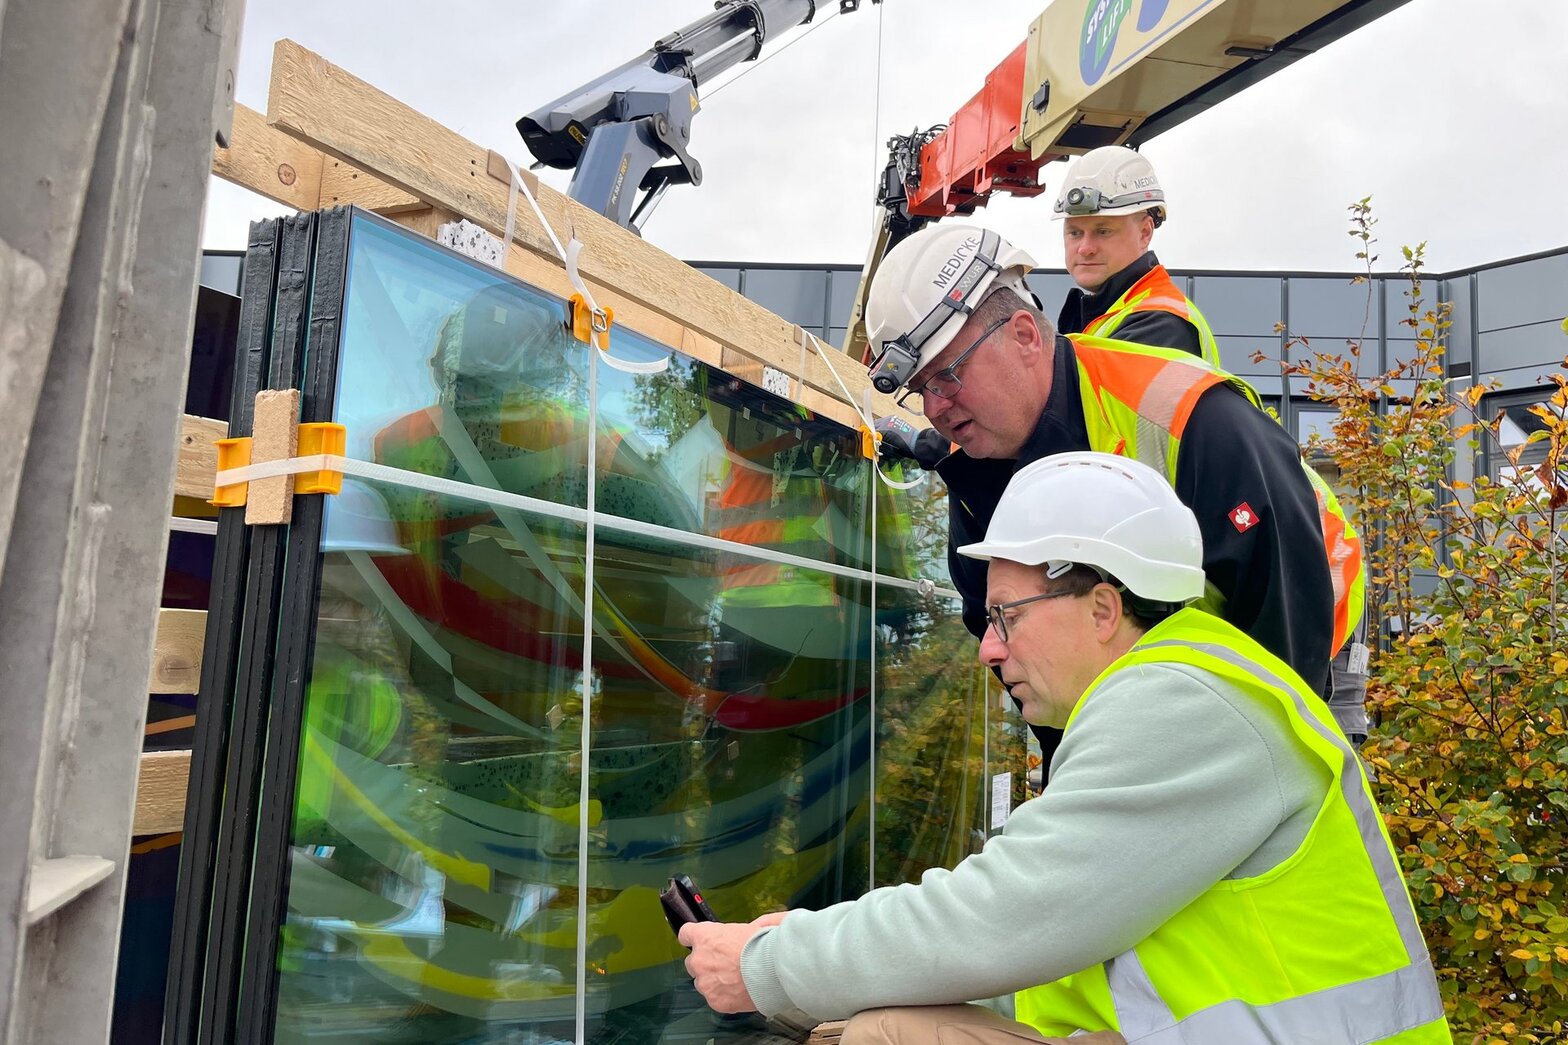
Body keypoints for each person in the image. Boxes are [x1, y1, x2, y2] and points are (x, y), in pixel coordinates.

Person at [680, 452, 1449, 1044]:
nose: (988, 648)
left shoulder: (1185, 705)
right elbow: (1028, 935)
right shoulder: (1185, 687)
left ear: (1104, 607)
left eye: (1005, 616)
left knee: (888, 1033)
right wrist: (808, 945)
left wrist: (768, 967)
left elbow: (998, 916)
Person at [866, 223, 1365, 764]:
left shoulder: (1185, 415)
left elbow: (1282, 629)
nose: (935, 409)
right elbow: (1028, 668)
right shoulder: (977, 475)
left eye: (947, 377)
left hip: (1300, 629)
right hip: (1157, 666)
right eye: (921, 391)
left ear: (1025, 336)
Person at [1052, 145, 1220, 366]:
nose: (1085, 248)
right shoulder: (1111, 314)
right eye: (1075, 233)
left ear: (1145, 232)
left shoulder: (1160, 323)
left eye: (1103, 231)